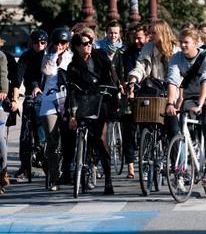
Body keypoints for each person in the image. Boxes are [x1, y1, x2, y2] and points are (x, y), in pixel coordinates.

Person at [166, 28, 206, 183]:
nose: (183, 45)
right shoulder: (176, 58)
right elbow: (172, 81)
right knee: (183, 126)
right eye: (181, 42)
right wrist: (170, 103)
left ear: (196, 43)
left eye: (187, 42)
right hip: (191, 95)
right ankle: (183, 165)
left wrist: (200, 104)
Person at [67, 27, 118, 195]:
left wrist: (115, 90)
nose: (88, 46)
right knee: (73, 133)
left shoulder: (100, 56)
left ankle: (108, 181)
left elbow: (111, 75)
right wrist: (71, 115)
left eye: (90, 43)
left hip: (101, 101)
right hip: (83, 102)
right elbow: (71, 91)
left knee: (100, 139)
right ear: (76, 47)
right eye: (84, 44)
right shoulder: (73, 67)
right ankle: (77, 168)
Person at [127, 19, 181, 140]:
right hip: (152, 91)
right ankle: (145, 150)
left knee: (173, 129)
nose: (149, 36)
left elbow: (176, 76)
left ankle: (178, 157)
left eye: (153, 33)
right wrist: (133, 79)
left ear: (162, 33)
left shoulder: (175, 51)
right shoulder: (148, 47)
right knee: (143, 118)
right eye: (149, 33)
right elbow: (140, 66)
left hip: (171, 91)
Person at [39, 28, 73, 191]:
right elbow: (47, 71)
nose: (60, 45)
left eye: (63, 43)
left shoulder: (72, 57)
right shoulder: (47, 57)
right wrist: (54, 55)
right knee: (52, 141)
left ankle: (69, 171)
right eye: (58, 43)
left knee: (67, 138)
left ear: (68, 44)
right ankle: (53, 177)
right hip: (49, 99)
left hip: (66, 100)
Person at [13, 29, 48, 180]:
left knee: (41, 123)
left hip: (47, 95)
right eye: (36, 43)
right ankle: (24, 166)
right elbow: (17, 78)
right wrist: (14, 99)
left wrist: (40, 87)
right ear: (31, 43)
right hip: (29, 94)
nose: (39, 45)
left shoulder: (49, 56)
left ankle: (43, 151)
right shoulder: (26, 56)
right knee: (25, 132)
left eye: (43, 42)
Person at [122, 23, 150, 179]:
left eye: (139, 38)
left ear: (147, 37)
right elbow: (127, 72)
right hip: (131, 94)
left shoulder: (151, 51)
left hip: (148, 95)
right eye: (134, 38)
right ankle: (131, 166)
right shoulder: (128, 53)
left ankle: (146, 162)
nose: (137, 41)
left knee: (146, 130)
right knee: (129, 131)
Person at [0, 50, 9, 194]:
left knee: (0, 137)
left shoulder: (0, 55)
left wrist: (2, 90)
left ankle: (3, 171)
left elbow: (3, 75)